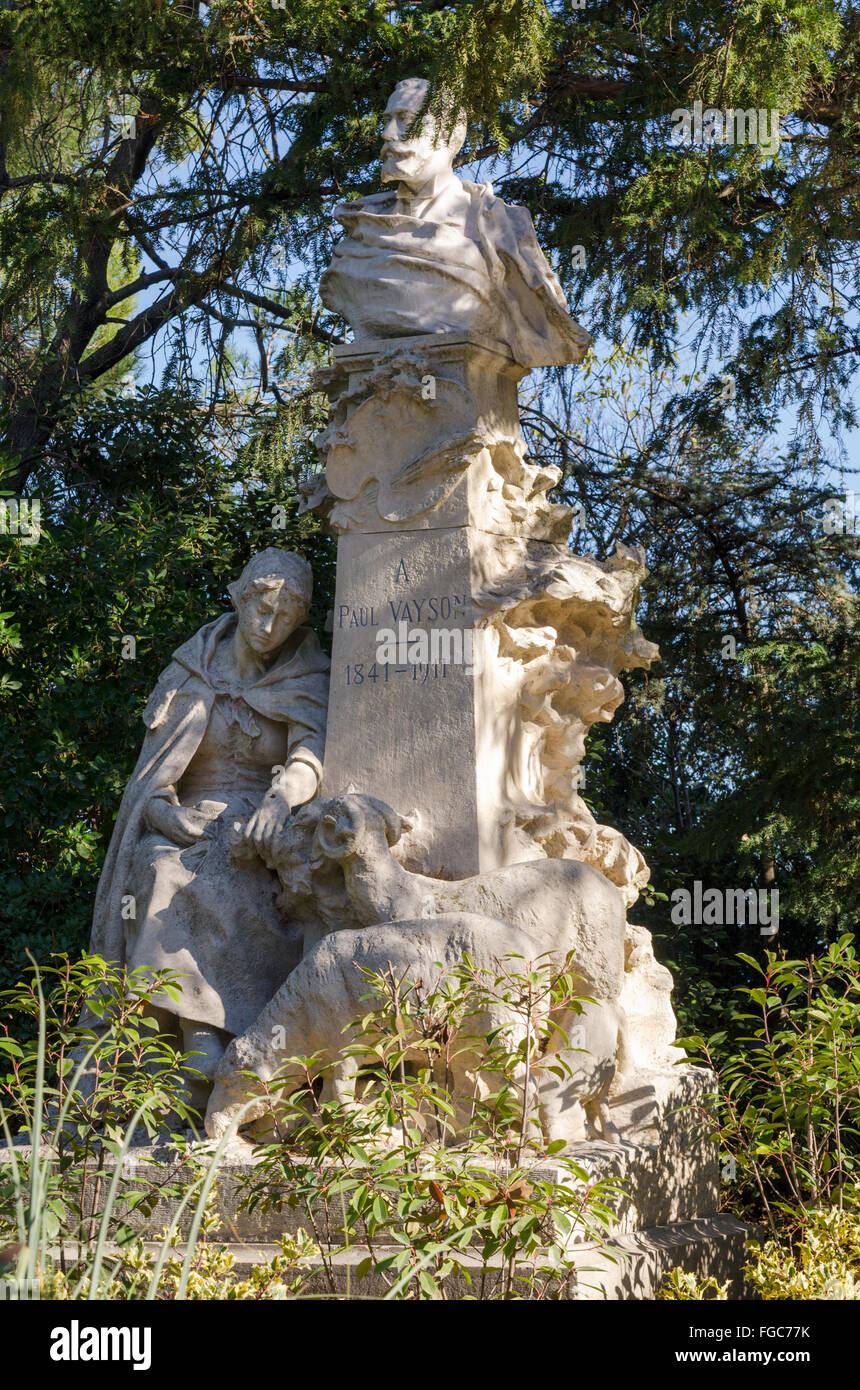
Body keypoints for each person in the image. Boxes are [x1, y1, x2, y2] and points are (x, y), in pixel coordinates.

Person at [89, 549, 330, 1103]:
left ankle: (210, 1049)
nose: (271, 628)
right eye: (263, 612)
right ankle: (196, 1050)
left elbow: (307, 756)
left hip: (261, 823)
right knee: (158, 873)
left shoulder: (305, 675)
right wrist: (164, 814)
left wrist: (279, 801)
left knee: (238, 880)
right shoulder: (190, 672)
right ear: (240, 599)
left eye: (286, 618)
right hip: (183, 824)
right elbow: (153, 784)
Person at [320, 76, 591, 369]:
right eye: (386, 120)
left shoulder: (500, 226)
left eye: (405, 120)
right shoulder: (361, 229)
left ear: (451, 133)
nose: (388, 134)